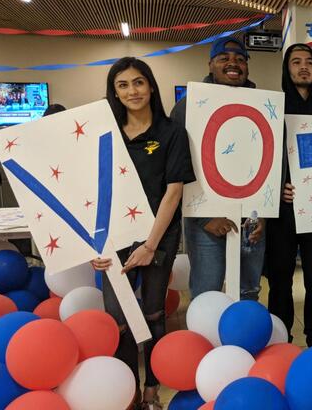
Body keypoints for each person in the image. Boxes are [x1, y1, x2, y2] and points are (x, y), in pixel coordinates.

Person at [91, 57, 195, 409]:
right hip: (113, 239)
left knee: (152, 312)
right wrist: (91, 242)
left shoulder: (172, 133)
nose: (132, 90)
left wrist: (150, 245)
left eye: (138, 82)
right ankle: (129, 391)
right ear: (114, 93)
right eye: (123, 85)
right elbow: (89, 191)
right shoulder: (105, 135)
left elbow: (174, 191)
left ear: (151, 86)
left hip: (158, 238)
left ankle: (151, 387)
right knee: (116, 319)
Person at [170, 36, 267, 301]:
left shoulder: (263, 104)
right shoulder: (186, 107)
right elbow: (177, 165)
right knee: (206, 293)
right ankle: (206, 343)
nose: (233, 64)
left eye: (240, 59)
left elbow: (271, 162)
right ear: (210, 64)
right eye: (224, 58)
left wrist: (264, 215)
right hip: (205, 221)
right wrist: (204, 219)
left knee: (249, 291)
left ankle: (246, 341)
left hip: (251, 219)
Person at [266, 43, 312, 346]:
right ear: (287, 69)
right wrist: (278, 185)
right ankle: (279, 340)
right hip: (282, 211)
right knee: (280, 280)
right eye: (296, 62)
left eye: (309, 62)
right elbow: (264, 158)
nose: (303, 67)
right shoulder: (273, 109)